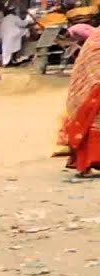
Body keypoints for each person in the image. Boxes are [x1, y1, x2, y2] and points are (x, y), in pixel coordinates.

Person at [59, 26, 100, 174]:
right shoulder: (96, 40)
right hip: (93, 82)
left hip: (91, 84)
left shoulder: (92, 36)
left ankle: (88, 161)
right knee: (92, 119)